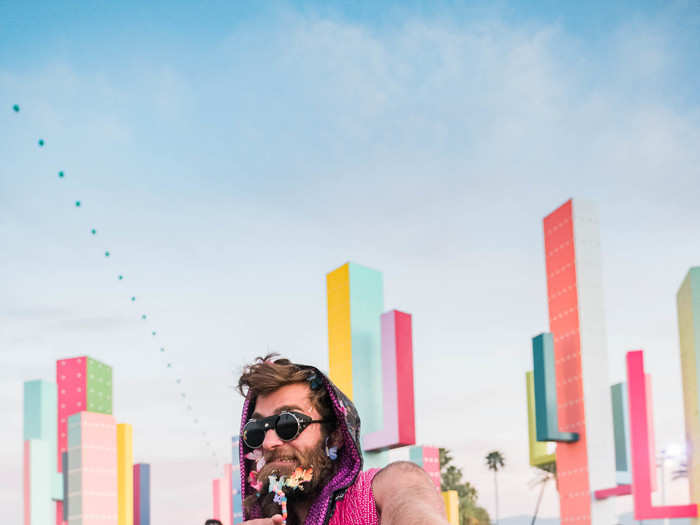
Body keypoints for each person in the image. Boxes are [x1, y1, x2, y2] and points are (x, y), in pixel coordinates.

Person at [237, 355, 449, 525]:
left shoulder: (385, 489)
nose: (268, 442)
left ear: (336, 434)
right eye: (256, 430)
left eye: (287, 424)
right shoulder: (259, 518)